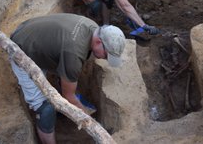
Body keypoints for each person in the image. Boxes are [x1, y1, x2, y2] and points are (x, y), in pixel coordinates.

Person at [9, 13, 126, 144]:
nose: (105, 58)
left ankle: (60, 103)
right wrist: (88, 119)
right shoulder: (73, 54)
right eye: (107, 55)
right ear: (99, 41)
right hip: (21, 48)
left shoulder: (92, 27)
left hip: (32, 32)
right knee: (45, 109)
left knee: (67, 73)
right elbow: (68, 96)